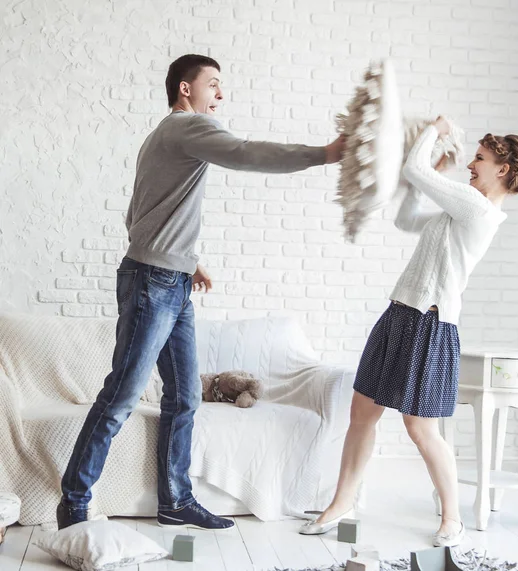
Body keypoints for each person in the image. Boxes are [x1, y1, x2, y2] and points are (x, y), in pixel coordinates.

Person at [57, 54, 345, 531]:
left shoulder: (161, 138)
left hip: (168, 280)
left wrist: (188, 262)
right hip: (153, 283)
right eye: (214, 84)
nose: (221, 94)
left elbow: (139, 215)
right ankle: (74, 503)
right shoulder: (184, 129)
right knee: (121, 397)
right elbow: (248, 152)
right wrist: (324, 154)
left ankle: (175, 500)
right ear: (185, 89)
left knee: (186, 396)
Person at [299, 117, 518, 546]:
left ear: (502, 169)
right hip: (399, 315)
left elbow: (412, 169)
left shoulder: (477, 207)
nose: (472, 165)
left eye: (480, 160)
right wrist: (437, 171)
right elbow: (407, 220)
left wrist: (437, 129)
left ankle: (452, 518)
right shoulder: (459, 208)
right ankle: (342, 503)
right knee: (362, 416)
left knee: (420, 428)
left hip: (430, 323)